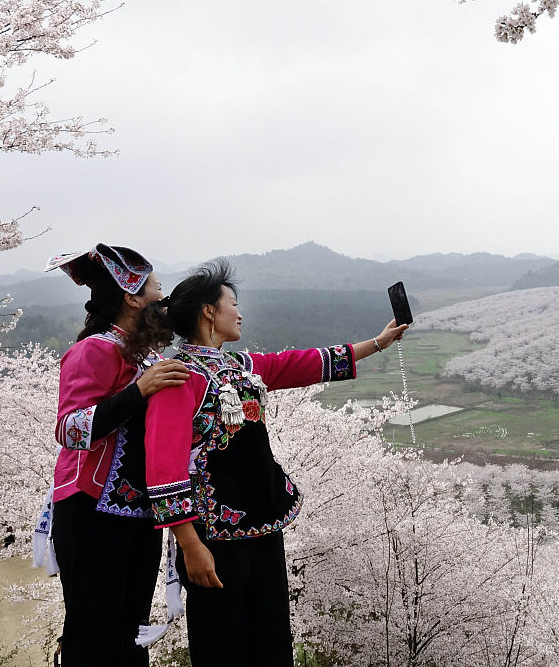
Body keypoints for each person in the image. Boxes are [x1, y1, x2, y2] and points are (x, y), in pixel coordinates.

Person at [142, 260, 406, 667]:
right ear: (209, 311)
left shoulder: (241, 367)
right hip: (214, 540)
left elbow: (298, 363)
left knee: (271, 640)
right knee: (223, 646)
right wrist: (190, 546)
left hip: (264, 527)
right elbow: (162, 469)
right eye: (233, 303)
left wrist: (377, 343)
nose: (240, 312)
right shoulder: (178, 376)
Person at [43, 245, 191, 667]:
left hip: (141, 513)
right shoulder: (94, 349)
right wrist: (140, 390)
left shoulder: (149, 356)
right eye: (157, 290)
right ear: (131, 296)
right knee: (94, 633)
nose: (163, 300)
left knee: (132, 636)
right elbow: (69, 429)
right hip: (92, 510)